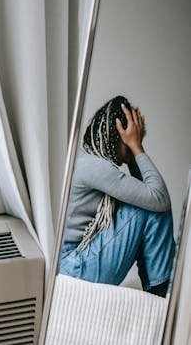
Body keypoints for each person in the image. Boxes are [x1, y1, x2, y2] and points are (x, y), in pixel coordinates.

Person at [59, 95, 174, 297]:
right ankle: (161, 292)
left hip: (72, 263)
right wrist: (137, 149)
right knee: (152, 208)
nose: (134, 142)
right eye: (131, 137)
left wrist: (133, 153)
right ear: (118, 134)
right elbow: (158, 198)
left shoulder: (87, 159)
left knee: (150, 204)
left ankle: (159, 290)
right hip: (73, 269)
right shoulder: (95, 167)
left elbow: (149, 194)